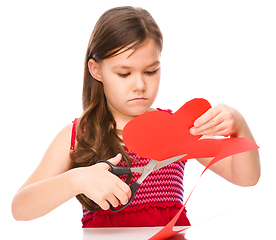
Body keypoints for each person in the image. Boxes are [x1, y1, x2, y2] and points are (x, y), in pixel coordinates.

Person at [11, 6, 260, 228]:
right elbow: (20, 208)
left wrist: (239, 124)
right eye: (124, 73)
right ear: (96, 70)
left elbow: (246, 178)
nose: (140, 84)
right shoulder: (78, 135)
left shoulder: (179, 127)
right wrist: (75, 180)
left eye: (151, 71)